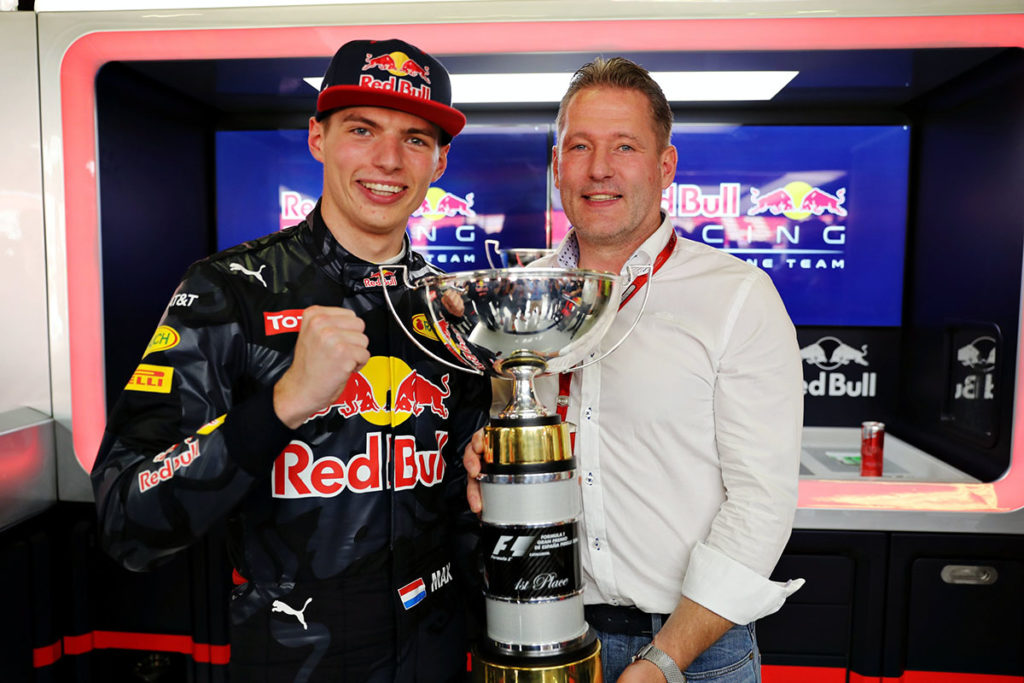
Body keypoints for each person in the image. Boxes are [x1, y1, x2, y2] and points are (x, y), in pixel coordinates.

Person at [92, 38, 490, 683]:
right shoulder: (228, 290)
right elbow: (126, 522)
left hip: (439, 647)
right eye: (362, 129)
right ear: (318, 138)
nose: (388, 159)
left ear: (439, 161)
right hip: (294, 651)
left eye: (415, 138)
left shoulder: (453, 307)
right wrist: (281, 406)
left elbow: (461, 503)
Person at [464, 57, 804, 683]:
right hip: (538, 634)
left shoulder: (736, 295)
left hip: (694, 650)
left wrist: (665, 660)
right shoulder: (514, 298)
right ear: (557, 164)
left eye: (624, 146)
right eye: (580, 146)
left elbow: (762, 502)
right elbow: (495, 437)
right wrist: (484, 457)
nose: (599, 169)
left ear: (664, 167)